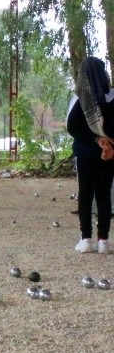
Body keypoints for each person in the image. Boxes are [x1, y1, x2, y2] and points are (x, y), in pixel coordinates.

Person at [66, 56, 114, 254]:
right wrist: (109, 145)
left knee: (85, 194)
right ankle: (104, 241)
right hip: (109, 154)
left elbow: (72, 127)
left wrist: (95, 140)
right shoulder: (112, 97)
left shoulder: (79, 99)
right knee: (104, 195)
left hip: (86, 154)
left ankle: (86, 239)